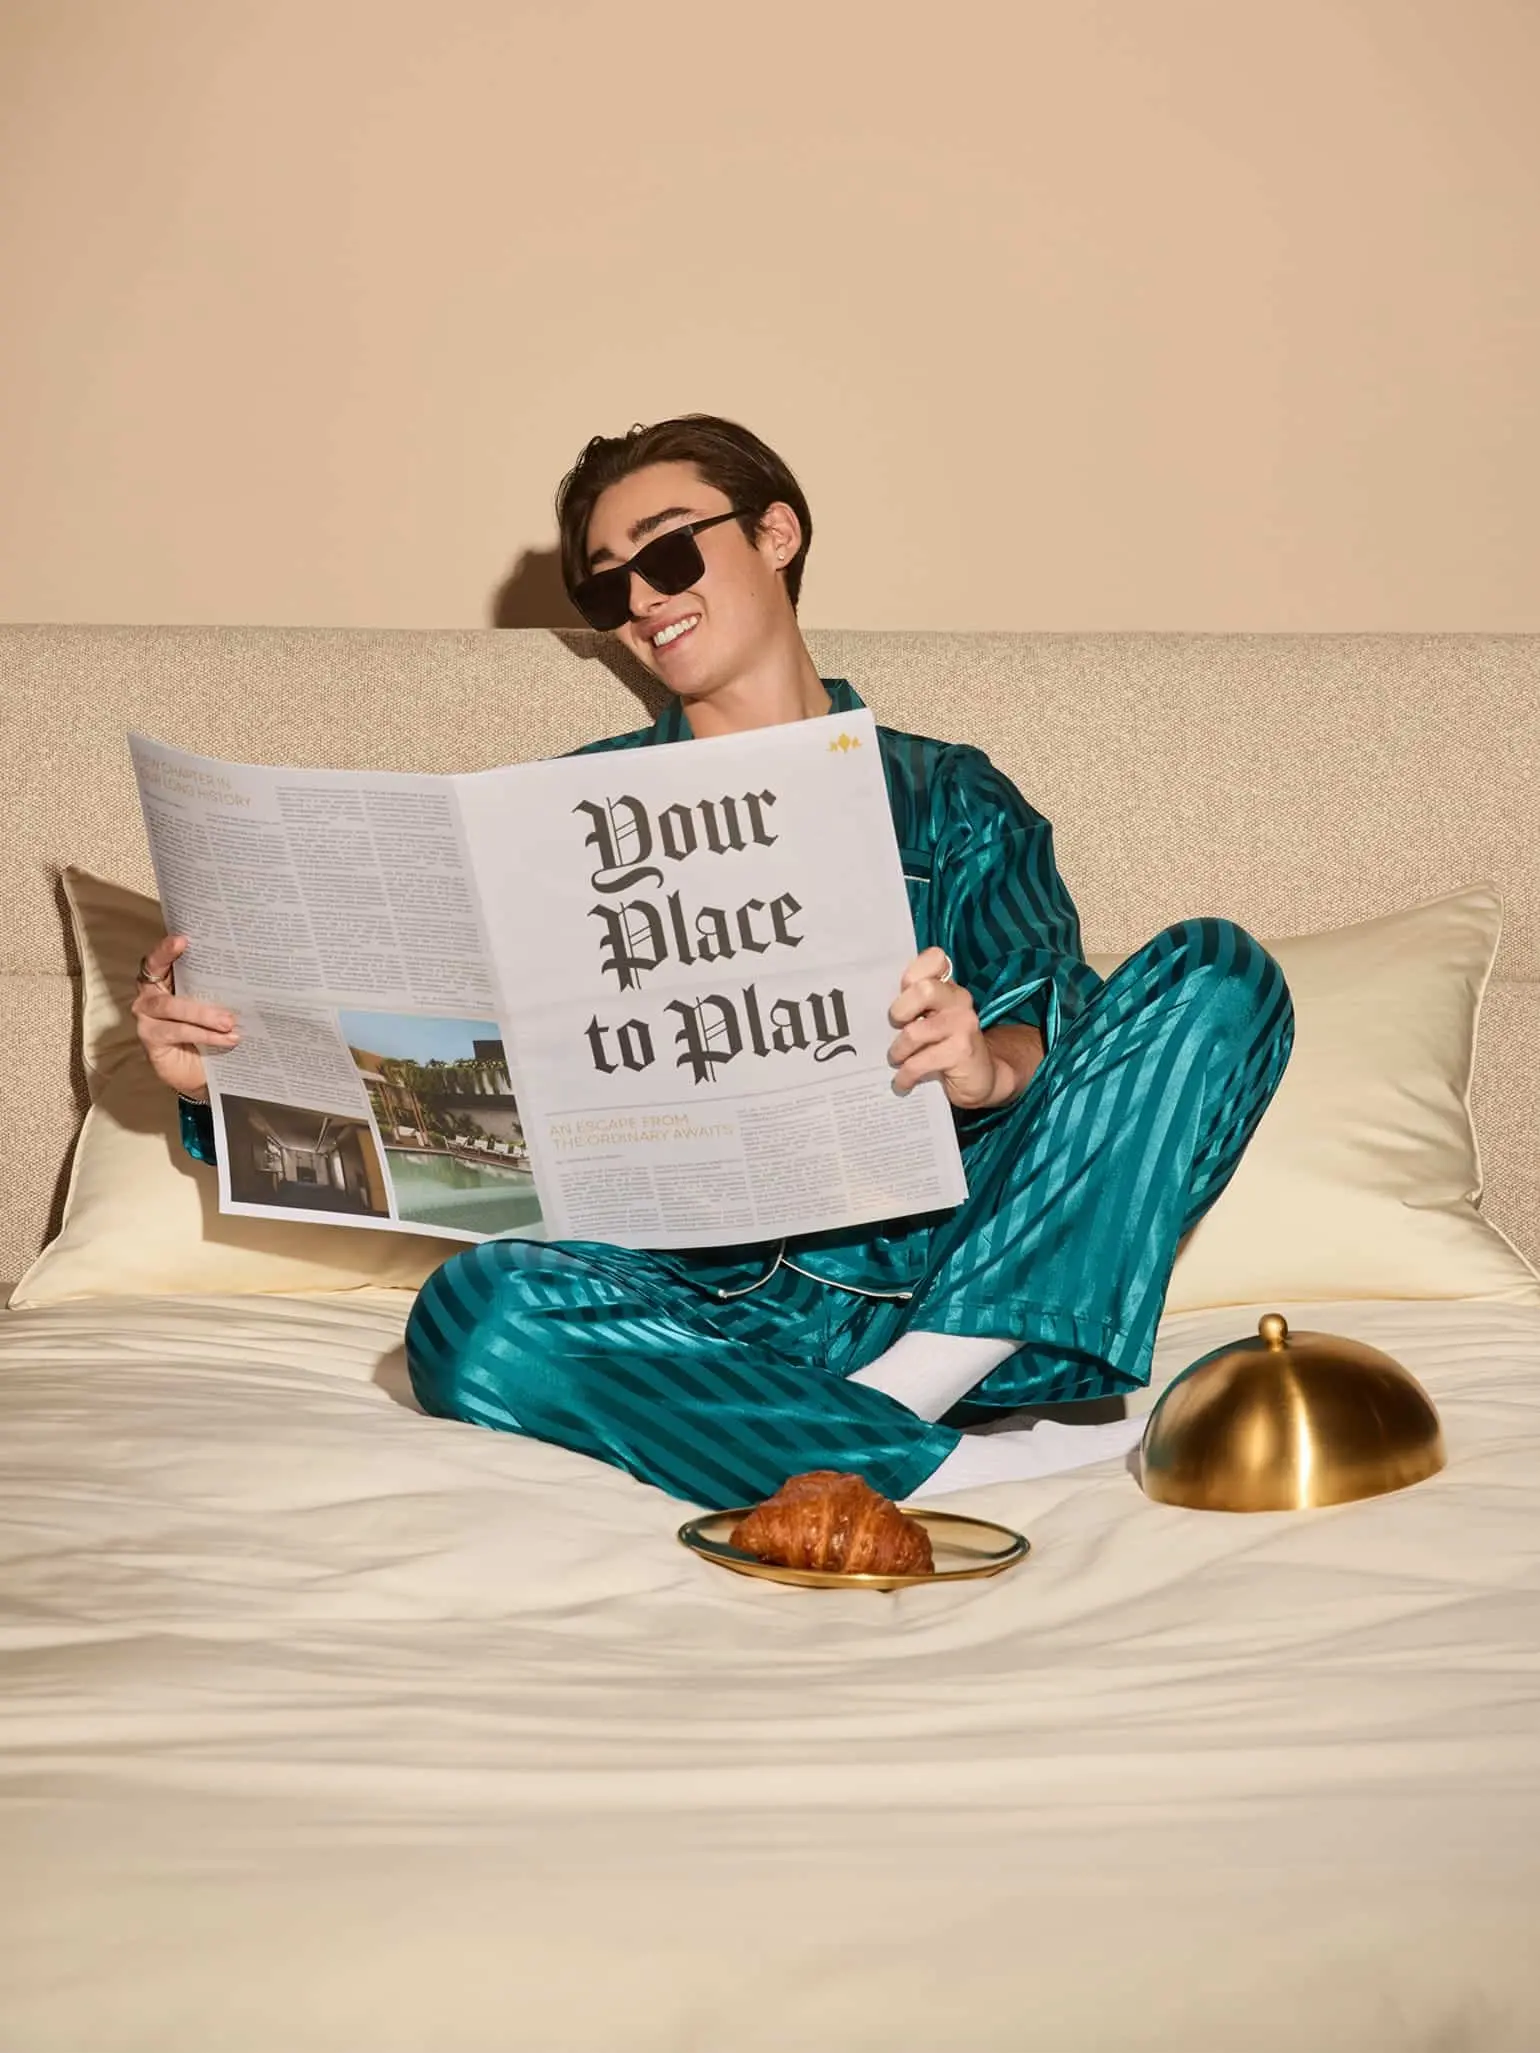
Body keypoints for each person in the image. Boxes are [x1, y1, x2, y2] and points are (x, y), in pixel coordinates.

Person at [133, 414, 1293, 1509]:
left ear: (775, 534)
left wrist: (988, 1065)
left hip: (976, 1272)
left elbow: (1052, 997)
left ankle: (913, 1387)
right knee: (472, 1314)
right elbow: (464, 1126)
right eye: (605, 586)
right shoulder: (557, 814)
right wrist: (226, 1077)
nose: (640, 602)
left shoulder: (949, 797)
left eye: (669, 554)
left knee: (1220, 970)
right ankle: (920, 1460)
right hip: (711, 1312)